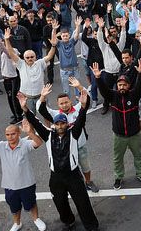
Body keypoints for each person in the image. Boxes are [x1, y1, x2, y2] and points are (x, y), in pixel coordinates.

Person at [21, 86, 99, 231]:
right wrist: (25, 108)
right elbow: (36, 123)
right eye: (57, 124)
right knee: (59, 201)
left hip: (73, 175)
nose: (60, 126)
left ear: (67, 124)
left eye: (62, 123)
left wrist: (83, 106)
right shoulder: (48, 135)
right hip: (56, 177)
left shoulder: (74, 133)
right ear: (54, 125)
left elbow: (81, 119)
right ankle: (68, 221)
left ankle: (92, 226)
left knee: (82, 202)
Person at [0, 119, 47, 231]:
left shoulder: (25, 144)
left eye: (13, 134)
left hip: (27, 183)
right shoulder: (1, 146)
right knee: (14, 207)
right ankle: (17, 223)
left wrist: (30, 133)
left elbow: (38, 143)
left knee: (31, 203)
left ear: (19, 133)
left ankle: (36, 219)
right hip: (9, 185)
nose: (10, 137)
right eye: (7, 134)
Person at [95, 58, 141, 190]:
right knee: (117, 159)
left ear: (128, 86)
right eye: (120, 85)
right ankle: (118, 177)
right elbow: (103, 90)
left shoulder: (134, 95)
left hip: (134, 134)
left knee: (138, 156)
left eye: (124, 85)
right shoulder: (113, 96)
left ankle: (140, 174)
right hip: (119, 136)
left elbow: (140, 85)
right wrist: (98, 78)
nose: (122, 87)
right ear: (117, 86)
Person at [37, 80, 99, 193]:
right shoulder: (55, 115)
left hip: (80, 145)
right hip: (65, 150)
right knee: (70, 171)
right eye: (61, 103)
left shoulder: (78, 109)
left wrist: (80, 87)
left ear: (70, 101)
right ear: (58, 105)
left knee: (85, 166)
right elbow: (40, 109)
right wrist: (42, 97)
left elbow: (87, 98)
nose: (64, 105)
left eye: (66, 102)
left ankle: (88, 182)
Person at [5, 26, 57, 112]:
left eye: (32, 57)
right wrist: (7, 40)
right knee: (30, 119)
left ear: (35, 57)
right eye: (27, 57)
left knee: (47, 115)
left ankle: (49, 126)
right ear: (24, 58)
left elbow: (50, 56)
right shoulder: (21, 64)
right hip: (27, 97)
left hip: (41, 96)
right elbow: (11, 53)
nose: (30, 59)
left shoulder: (40, 63)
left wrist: (53, 45)